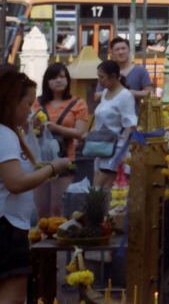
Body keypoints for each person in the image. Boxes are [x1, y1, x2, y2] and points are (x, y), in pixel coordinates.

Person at [0, 71, 70, 304]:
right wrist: (52, 167)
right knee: (13, 296)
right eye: (28, 104)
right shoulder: (1, 134)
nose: (30, 111)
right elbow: (15, 183)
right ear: (11, 101)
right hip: (2, 225)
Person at [32, 63, 88, 218]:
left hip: (64, 159)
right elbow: (28, 127)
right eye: (54, 78)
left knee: (58, 208)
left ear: (68, 80)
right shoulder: (37, 103)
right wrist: (34, 124)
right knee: (41, 208)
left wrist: (54, 128)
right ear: (47, 82)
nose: (59, 81)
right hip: (40, 160)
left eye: (62, 77)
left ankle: (57, 238)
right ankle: (44, 239)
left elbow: (79, 133)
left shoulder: (78, 103)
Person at [91, 60, 137, 188]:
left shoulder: (125, 96)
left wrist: (123, 153)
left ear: (113, 76)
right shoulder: (105, 92)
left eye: (101, 77)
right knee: (96, 189)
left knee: (103, 189)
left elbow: (130, 125)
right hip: (102, 147)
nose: (99, 80)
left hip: (116, 150)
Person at [94, 37, 153, 107]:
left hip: (134, 116)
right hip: (110, 116)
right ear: (112, 52)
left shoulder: (141, 70)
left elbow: (150, 93)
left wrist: (130, 93)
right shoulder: (107, 71)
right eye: (117, 49)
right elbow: (96, 97)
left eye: (123, 49)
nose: (121, 52)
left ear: (129, 51)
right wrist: (115, 92)